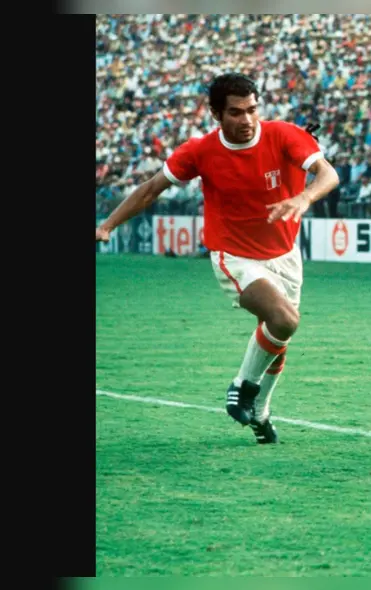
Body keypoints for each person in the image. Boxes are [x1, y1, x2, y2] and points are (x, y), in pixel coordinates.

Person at [95, 73, 340, 444]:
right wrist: (108, 225)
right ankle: (242, 386)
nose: (247, 120)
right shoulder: (199, 151)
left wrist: (304, 198)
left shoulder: (285, 134)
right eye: (236, 112)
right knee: (283, 318)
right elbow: (150, 191)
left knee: (279, 335)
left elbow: (328, 174)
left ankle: (261, 411)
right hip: (235, 255)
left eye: (252, 110)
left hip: (286, 254)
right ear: (216, 114)